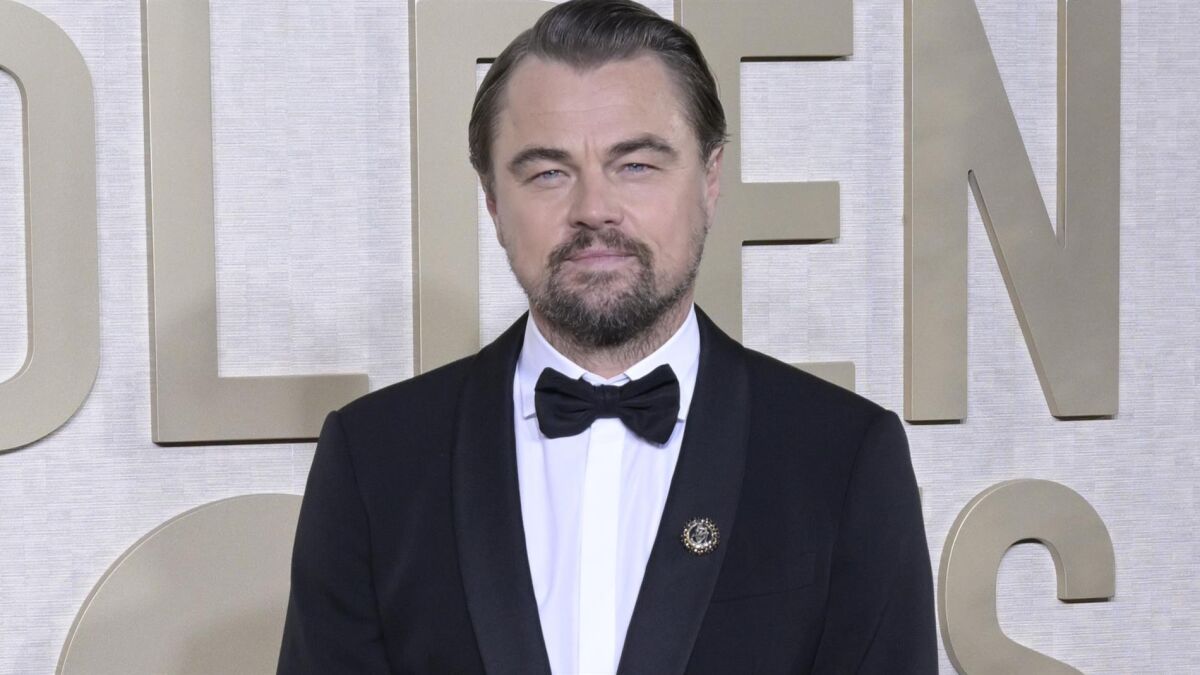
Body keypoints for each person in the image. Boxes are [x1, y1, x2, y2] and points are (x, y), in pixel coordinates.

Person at [277, 0, 937, 673]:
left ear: (710, 180)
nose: (593, 209)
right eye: (548, 173)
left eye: (636, 165)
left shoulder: (845, 459)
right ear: (494, 202)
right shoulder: (374, 460)